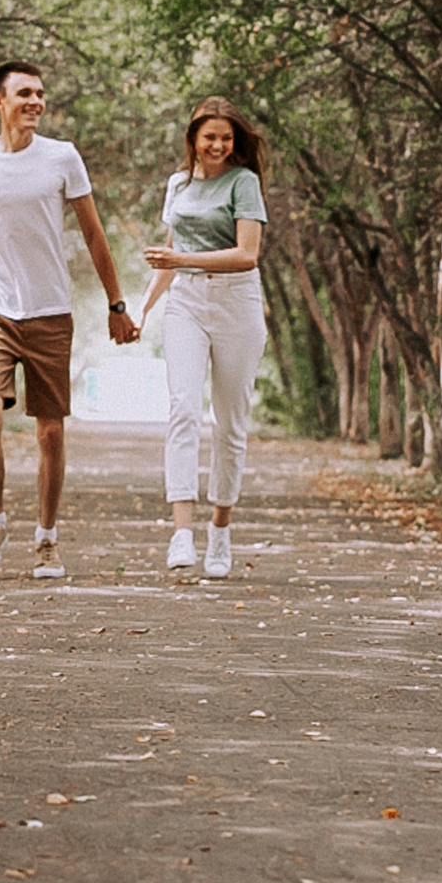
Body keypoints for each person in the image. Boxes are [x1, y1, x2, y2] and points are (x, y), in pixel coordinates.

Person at [0, 58, 138, 578]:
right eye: (24, 94)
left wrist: (117, 305)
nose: (35, 102)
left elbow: (93, 233)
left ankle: (47, 537)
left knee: (50, 433)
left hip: (48, 309)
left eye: (40, 93)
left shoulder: (62, 158)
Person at [139, 96, 270, 580]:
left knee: (230, 421)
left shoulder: (244, 182)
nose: (217, 145)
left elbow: (247, 254)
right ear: (193, 138)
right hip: (187, 303)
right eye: (209, 136)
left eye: (226, 138)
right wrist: (141, 309)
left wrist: (181, 262)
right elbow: (171, 255)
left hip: (237, 301)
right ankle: (182, 531)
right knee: (183, 410)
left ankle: (220, 529)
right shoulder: (178, 184)